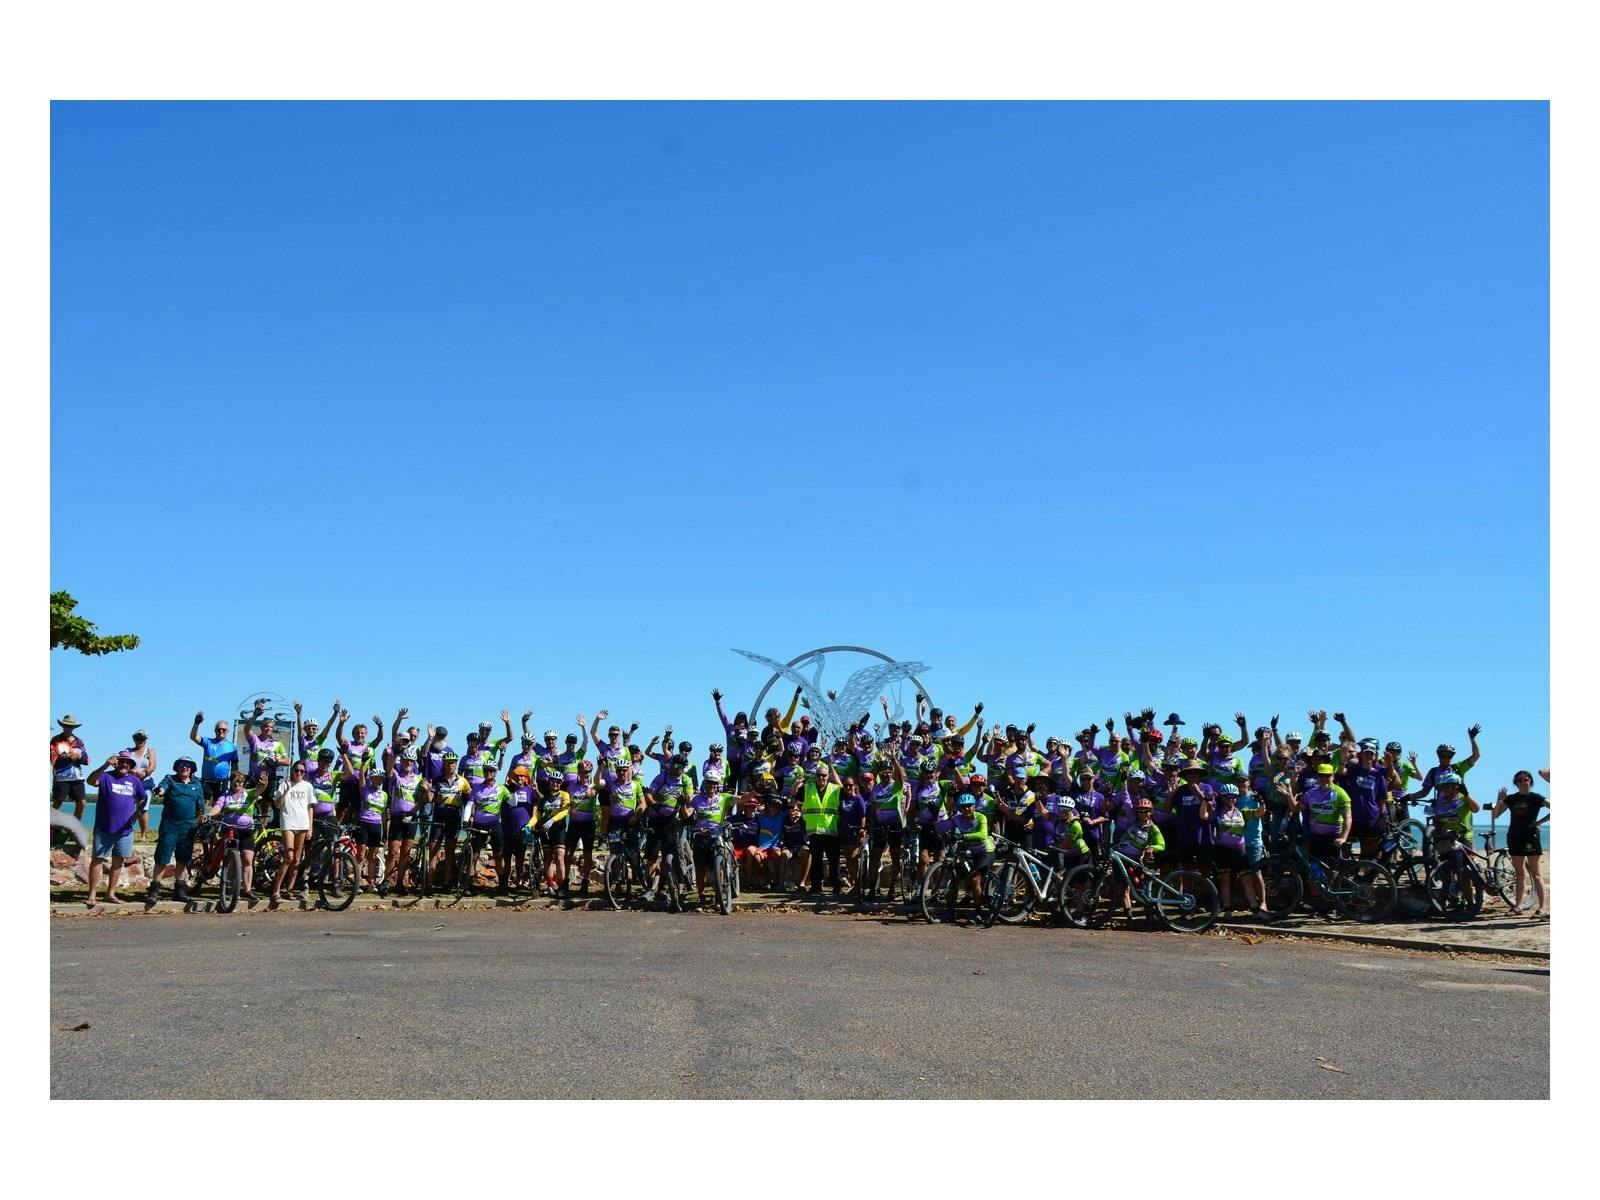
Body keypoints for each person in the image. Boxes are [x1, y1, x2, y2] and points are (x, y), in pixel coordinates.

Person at [84, 752, 149, 909]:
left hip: (125, 830)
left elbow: (143, 797)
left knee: (118, 860)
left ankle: (110, 894)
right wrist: (105, 764)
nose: (125, 765)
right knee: (98, 859)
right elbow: (91, 780)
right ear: (116, 763)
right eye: (122, 762)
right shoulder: (106, 776)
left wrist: (137, 813)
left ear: (131, 765)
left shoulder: (134, 780)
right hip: (104, 827)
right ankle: (92, 894)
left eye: (128, 762)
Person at [146, 756, 206, 908]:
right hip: (169, 826)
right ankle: (154, 890)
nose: (184, 767)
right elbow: (162, 788)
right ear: (176, 767)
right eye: (181, 765)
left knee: (183, 860)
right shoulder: (170, 779)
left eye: (187, 765)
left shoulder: (196, 784)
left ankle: (179, 890)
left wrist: (199, 822)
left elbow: (200, 807)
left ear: (192, 768)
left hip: (188, 828)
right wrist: (159, 791)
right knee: (162, 859)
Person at [1493, 772, 1548, 917]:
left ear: (1530, 781)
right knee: (1519, 874)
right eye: (1520, 780)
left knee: (1536, 874)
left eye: (1526, 779)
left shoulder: (1536, 798)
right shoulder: (1511, 799)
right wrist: (1499, 801)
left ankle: (1542, 908)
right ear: (1516, 783)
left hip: (1531, 836)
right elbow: (1495, 815)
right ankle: (1517, 906)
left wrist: (1540, 822)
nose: (1523, 782)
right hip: (1515, 836)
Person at [207, 767, 261, 905]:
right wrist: (209, 815)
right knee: (231, 859)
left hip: (246, 830)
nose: (237, 784)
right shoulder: (225, 796)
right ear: (231, 782)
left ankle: (247, 890)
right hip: (229, 830)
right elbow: (217, 808)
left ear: (243, 783)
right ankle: (229, 887)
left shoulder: (248, 794)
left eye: (240, 782)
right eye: (234, 782)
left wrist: (264, 783)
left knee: (248, 859)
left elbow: (259, 790)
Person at [268, 761, 315, 909]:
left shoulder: (308, 786)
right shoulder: (284, 784)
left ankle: (289, 889)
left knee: (296, 859)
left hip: (302, 823)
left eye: (302, 771)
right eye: (296, 771)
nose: (299, 774)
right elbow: (277, 804)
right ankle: (276, 890)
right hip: (288, 822)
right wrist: (287, 789)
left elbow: (310, 807)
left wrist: (310, 827)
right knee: (288, 856)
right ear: (292, 771)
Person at [385, 755, 427, 896]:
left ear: (414, 763)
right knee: (392, 852)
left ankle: (399, 883)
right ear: (401, 762)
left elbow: (423, 801)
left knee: (405, 852)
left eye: (411, 761)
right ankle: (386, 881)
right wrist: (395, 753)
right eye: (405, 760)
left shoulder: (418, 779)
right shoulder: (397, 775)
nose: (408, 763)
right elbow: (389, 769)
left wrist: (427, 790)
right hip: (397, 816)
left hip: (411, 818)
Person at [801, 764, 843, 896]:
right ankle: (816, 886)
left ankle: (836, 885)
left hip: (831, 831)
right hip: (815, 831)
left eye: (824, 775)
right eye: (818, 775)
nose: (821, 777)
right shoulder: (808, 788)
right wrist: (796, 783)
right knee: (816, 860)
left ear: (828, 776)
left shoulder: (835, 789)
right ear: (815, 776)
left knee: (833, 860)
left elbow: (841, 785)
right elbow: (794, 794)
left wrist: (832, 769)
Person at [188, 711, 239, 803]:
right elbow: (193, 737)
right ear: (215, 731)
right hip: (206, 781)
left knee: (217, 809)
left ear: (228, 731)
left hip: (222, 782)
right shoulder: (208, 742)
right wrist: (196, 724)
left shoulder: (232, 746)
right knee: (201, 807)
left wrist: (234, 781)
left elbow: (234, 766)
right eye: (218, 729)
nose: (221, 731)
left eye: (223, 729)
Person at [50, 714, 90, 823]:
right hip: (61, 777)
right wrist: (65, 757)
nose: (68, 728)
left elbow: (87, 760)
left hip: (77, 777)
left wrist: (78, 757)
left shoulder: (79, 741)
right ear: (62, 726)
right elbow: (52, 758)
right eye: (66, 726)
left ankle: (75, 828)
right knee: (57, 803)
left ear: (74, 728)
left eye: (70, 726)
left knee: (82, 803)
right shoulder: (56, 740)